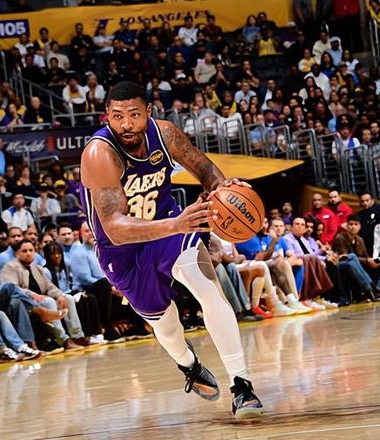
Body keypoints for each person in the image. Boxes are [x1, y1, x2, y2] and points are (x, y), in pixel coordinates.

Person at [79, 81, 263, 418]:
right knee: (166, 326)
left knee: (210, 290)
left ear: (148, 112)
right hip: (122, 249)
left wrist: (224, 190)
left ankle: (242, 385)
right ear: (107, 116)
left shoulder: (165, 134)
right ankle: (189, 364)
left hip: (168, 225)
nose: (126, 124)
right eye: (117, 116)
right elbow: (115, 229)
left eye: (134, 114)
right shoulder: (99, 154)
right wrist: (177, 224)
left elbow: (204, 169)